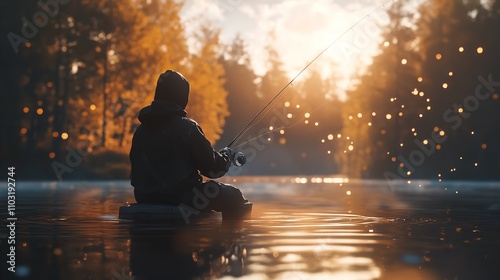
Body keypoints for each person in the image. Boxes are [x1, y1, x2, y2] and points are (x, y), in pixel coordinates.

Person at [129, 70, 248, 218]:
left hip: (143, 197)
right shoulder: (188, 128)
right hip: (183, 197)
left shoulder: (140, 130)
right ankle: (229, 240)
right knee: (234, 196)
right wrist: (226, 158)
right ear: (182, 97)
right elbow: (212, 170)